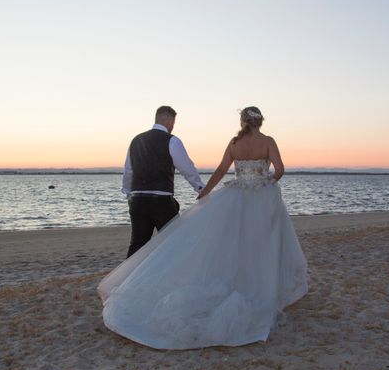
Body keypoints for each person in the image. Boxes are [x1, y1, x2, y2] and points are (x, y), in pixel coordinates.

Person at [99, 106, 308, 349]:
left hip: (231, 197)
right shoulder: (268, 141)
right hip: (261, 198)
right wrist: (267, 184)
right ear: (260, 122)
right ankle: (262, 284)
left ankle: (133, 285)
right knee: (262, 243)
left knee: (231, 242)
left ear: (242, 122)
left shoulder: (233, 142)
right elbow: (280, 170)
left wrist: (205, 193)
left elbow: (220, 170)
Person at [122, 106, 205, 258]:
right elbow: (187, 169)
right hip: (161, 201)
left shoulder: (136, 140)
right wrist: (201, 189)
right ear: (169, 121)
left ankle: (126, 280)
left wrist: (129, 195)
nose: (173, 126)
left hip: (137, 200)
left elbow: (128, 170)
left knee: (138, 243)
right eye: (173, 122)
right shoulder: (172, 141)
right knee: (174, 241)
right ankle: (171, 278)